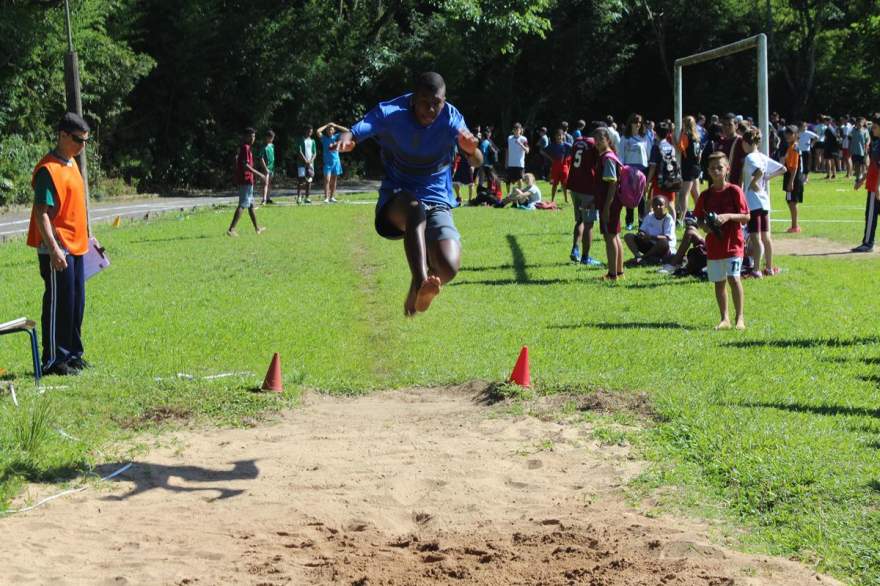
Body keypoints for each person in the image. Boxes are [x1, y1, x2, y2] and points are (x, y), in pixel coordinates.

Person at [335, 72, 482, 316]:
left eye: (437, 103)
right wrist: (347, 141)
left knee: (449, 267)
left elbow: (478, 159)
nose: (431, 109)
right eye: (425, 101)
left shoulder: (452, 118)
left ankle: (418, 291)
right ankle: (420, 281)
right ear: (414, 98)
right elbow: (355, 131)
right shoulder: (391, 112)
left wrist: (470, 151)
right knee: (416, 209)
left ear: (444, 100)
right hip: (398, 198)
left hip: (437, 198)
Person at [27, 112, 93, 375]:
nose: (82, 146)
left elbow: (77, 206)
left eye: (86, 141)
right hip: (57, 247)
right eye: (78, 140)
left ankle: (73, 354)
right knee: (58, 303)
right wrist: (54, 250)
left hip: (77, 245)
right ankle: (54, 359)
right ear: (63, 135)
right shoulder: (48, 170)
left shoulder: (72, 164)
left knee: (76, 302)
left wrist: (89, 235)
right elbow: (41, 212)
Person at [694, 152, 750, 330]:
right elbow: (699, 219)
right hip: (714, 245)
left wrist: (728, 216)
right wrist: (705, 227)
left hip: (733, 244)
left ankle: (739, 318)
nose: (716, 171)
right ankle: (724, 318)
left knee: (734, 278)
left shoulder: (734, 191)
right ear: (708, 171)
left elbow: (746, 217)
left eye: (720, 167)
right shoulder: (705, 195)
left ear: (727, 169)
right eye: (712, 168)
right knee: (719, 283)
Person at [740, 128, 786, 277]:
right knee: (766, 237)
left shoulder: (750, 157)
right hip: (764, 202)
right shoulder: (762, 156)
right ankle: (769, 268)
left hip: (753, 202)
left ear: (747, 143)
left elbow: (759, 170)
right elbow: (783, 169)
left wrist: (754, 182)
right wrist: (767, 178)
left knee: (756, 237)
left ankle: (756, 270)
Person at [566, 121, 604, 267]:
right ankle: (585, 257)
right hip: (587, 188)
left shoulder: (577, 141)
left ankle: (575, 249)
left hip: (574, 185)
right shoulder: (594, 144)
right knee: (589, 224)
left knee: (580, 220)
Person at [595, 127, 624, 281]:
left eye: (601, 138)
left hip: (610, 203)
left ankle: (612, 274)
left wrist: (606, 207)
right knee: (615, 235)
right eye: (596, 139)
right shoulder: (607, 156)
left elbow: (612, 184)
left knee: (610, 237)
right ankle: (618, 272)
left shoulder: (607, 158)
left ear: (608, 139)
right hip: (610, 203)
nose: (597, 142)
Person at [227, 127, 267, 236]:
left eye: (254, 136)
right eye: (252, 136)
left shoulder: (247, 148)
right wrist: (259, 174)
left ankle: (257, 228)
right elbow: (246, 166)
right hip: (245, 180)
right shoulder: (245, 148)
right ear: (246, 137)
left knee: (251, 205)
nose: (253, 138)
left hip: (248, 180)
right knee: (243, 204)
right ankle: (231, 229)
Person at [851, 114, 880, 252]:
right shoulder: (876, 143)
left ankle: (868, 243)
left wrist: (878, 186)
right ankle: (868, 242)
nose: (872, 129)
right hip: (873, 185)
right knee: (870, 214)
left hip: (876, 187)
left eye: (874, 126)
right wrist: (862, 180)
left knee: (871, 215)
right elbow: (873, 167)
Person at [623, 195, 675, 266]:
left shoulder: (668, 219)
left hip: (662, 248)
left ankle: (643, 258)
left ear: (665, 206)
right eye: (655, 205)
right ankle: (637, 256)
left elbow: (668, 238)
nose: (658, 207)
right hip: (649, 244)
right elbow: (642, 230)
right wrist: (641, 234)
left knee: (663, 242)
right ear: (652, 207)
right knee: (628, 236)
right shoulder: (650, 216)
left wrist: (650, 237)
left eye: (660, 205)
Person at [644, 122, 680, 223]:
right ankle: (672, 227)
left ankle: (647, 225)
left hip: (658, 181)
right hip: (670, 179)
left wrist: (647, 183)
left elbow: (652, 167)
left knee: (649, 203)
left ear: (656, 133)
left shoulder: (656, 147)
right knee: (670, 204)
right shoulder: (671, 147)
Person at [620, 113, 649, 228]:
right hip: (628, 169)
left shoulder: (644, 137)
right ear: (630, 123)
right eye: (635, 122)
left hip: (642, 170)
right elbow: (621, 155)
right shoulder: (624, 138)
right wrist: (622, 169)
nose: (637, 124)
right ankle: (629, 221)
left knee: (641, 197)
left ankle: (642, 222)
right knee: (629, 195)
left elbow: (648, 154)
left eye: (639, 122)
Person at [677, 115, 703, 220]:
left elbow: (679, 148)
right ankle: (702, 215)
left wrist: (674, 140)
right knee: (696, 193)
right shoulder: (696, 136)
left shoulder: (685, 135)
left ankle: (681, 218)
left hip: (687, 167)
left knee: (684, 194)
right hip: (696, 166)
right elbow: (700, 154)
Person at [317, 122, 350, 203]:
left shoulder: (336, 137)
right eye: (328, 129)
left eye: (331, 129)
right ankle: (326, 197)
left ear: (334, 131)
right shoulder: (324, 138)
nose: (329, 130)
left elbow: (347, 131)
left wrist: (335, 125)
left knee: (334, 181)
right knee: (327, 180)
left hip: (336, 162)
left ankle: (332, 197)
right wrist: (326, 125)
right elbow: (318, 131)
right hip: (327, 163)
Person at [782, 125, 805, 233]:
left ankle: (795, 226)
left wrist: (791, 182)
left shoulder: (795, 147)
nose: (787, 135)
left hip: (794, 177)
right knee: (789, 200)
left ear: (795, 135)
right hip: (789, 176)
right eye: (786, 133)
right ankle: (794, 225)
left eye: (790, 133)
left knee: (792, 202)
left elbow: (795, 166)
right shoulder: (790, 146)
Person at [544, 129, 571, 203]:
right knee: (554, 184)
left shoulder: (567, 145)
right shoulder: (552, 145)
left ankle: (566, 199)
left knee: (565, 184)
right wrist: (551, 159)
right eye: (557, 135)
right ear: (555, 136)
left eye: (560, 135)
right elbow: (543, 151)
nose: (558, 137)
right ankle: (552, 199)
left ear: (563, 136)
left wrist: (568, 158)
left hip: (564, 166)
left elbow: (573, 151)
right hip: (555, 166)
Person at [505, 123, 529, 195]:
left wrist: (521, 144)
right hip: (511, 163)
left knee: (519, 180)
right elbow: (507, 150)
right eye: (515, 129)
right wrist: (506, 161)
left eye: (518, 129)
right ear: (513, 130)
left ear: (520, 130)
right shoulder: (509, 138)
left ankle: (521, 194)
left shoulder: (523, 139)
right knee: (508, 180)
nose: (516, 131)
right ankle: (508, 194)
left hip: (519, 163)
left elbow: (527, 151)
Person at [296, 125, 317, 204]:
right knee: (301, 180)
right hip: (301, 164)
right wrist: (305, 160)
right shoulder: (301, 139)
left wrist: (310, 161)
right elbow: (299, 151)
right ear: (305, 131)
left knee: (309, 181)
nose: (309, 133)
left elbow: (314, 153)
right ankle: (299, 197)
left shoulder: (313, 141)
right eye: (308, 131)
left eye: (311, 131)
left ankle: (307, 197)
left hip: (310, 164)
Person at [257, 129, 276, 205]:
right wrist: (265, 168)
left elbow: (273, 156)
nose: (272, 139)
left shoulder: (272, 146)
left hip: (272, 168)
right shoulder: (263, 147)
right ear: (267, 137)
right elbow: (261, 158)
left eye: (273, 137)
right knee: (265, 183)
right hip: (266, 168)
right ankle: (264, 199)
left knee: (269, 183)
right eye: (270, 137)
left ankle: (268, 198)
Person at [849, 117, 869, 185]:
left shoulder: (865, 131)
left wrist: (867, 144)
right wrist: (850, 148)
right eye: (858, 123)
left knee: (863, 165)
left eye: (861, 123)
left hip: (862, 151)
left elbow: (868, 139)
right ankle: (857, 178)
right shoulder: (853, 131)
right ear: (856, 123)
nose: (860, 124)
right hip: (854, 150)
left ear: (863, 123)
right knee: (856, 165)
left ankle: (862, 178)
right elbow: (850, 138)